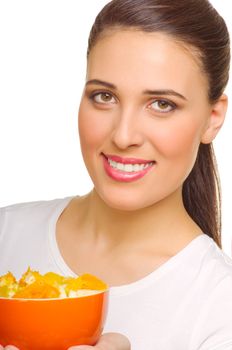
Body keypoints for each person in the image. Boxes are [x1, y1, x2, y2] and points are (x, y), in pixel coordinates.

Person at [0, 0, 232, 349]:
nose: (123, 136)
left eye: (162, 104)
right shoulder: (6, 235)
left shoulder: (218, 308)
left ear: (213, 118)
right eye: (104, 96)